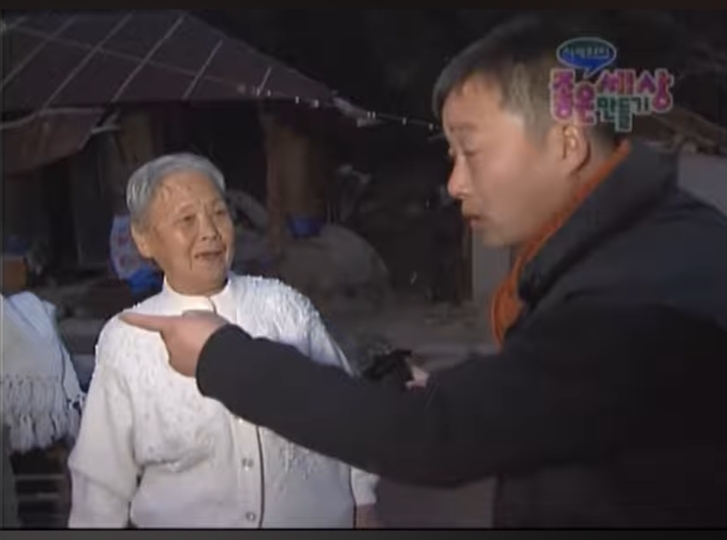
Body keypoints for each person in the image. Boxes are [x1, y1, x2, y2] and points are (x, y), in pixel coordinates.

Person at [121, 15, 727, 528]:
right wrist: (460, 391)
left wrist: (221, 357)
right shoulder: (645, 244)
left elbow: (435, 438)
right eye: (450, 155)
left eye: (472, 151)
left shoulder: (641, 296)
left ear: (567, 143)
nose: (455, 183)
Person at [67, 154, 380, 529]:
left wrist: (364, 502)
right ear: (144, 239)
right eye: (187, 220)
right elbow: (100, 480)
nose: (209, 232)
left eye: (218, 213)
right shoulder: (128, 338)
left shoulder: (283, 307)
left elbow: (346, 410)